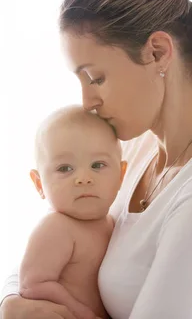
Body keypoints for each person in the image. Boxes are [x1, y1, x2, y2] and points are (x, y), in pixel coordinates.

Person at [0, 0, 192, 319]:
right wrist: (9, 303)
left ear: (157, 52)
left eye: (96, 77)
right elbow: (50, 248)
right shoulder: (136, 148)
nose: (87, 101)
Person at [18, 105, 127, 319]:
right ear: (39, 183)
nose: (84, 178)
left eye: (98, 165)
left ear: (121, 174)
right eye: (65, 168)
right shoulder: (56, 227)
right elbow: (32, 285)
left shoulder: (112, 221)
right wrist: (80, 313)